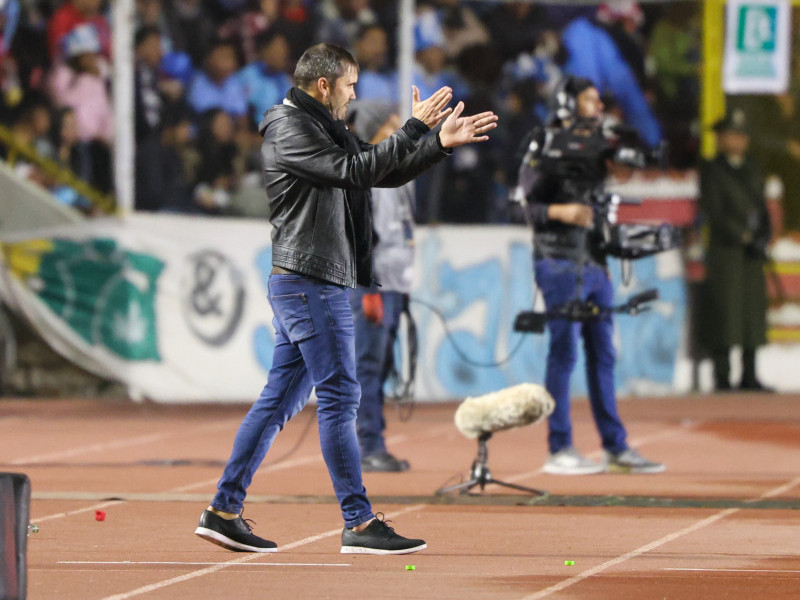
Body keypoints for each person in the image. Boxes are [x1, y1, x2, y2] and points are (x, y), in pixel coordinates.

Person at [195, 42, 497, 555]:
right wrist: (413, 129)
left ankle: (223, 509)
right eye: (350, 85)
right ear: (323, 86)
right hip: (311, 281)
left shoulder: (320, 127)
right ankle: (357, 521)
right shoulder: (291, 129)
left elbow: (377, 172)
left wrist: (436, 144)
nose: (355, 94)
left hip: (309, 279)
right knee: (340, 397)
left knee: (278, 403)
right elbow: (358, 171)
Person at [513, 75, 665, 475]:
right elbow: (521, 207)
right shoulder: (543, 143)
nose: (598, 106)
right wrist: (562, 212)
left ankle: (615, 446)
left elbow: (624, 175)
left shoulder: (600, 143)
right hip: (558, 260)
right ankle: (559, 448)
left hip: (595, 260)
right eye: (589, 100)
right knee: (563, 351)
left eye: (600, 100)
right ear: (567, 102)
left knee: (604, 353)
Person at [346, 101, 414, 472]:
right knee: (367, 365)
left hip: (393, 283)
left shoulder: (396, 173)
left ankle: (372, 440)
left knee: (382, 364)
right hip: (371, 284)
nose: (397, 133)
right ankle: (368, 445)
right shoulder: (363, 174)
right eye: (389, 127)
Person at [698, 109, 772, 392]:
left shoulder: (752, 168)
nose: (736, 141)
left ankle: (750, 373)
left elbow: (762, 206)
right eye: (731, 135)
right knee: (725, 313)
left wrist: (762, 236)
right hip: (726, 251)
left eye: (740, 135)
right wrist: (741, 235)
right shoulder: (712, 169)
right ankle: (722, 375)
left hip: (752, 253)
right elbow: (715, 211)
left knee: (751, 313)